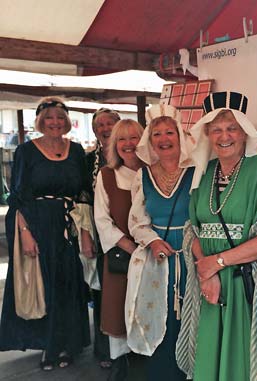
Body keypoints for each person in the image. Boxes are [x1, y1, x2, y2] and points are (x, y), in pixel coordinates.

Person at [176, 91, 257, 381]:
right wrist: (206, 272)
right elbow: (193, 231)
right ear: (208, 135)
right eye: (217, 130)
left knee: (243, 366)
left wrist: (218, 263)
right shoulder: (204, 173)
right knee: (208, 360)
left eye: (231, 128)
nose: (224, 136)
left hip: (246, 287)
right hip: (210, 288)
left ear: (245, 133)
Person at [0, 96, 91, 370]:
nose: (55, 122)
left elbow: (84, 191)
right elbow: (17, 196)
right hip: (38, 226)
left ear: (66, 122)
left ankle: (68, 344)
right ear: (40, 121)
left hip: (68, 226)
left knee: (68, 285)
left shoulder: (75, 151)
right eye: (49, 117)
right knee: (43, 285)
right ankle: (48, 345)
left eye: (60, 118)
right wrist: (25, 232)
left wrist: (85, 233)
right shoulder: (26, 152)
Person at [126, 104, 193, 380]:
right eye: (157, 134)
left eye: (169, 132)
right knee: (161, 317)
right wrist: (152, 241)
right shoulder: (143, 176)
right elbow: (137, 221)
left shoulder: (197, 171)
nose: (164, 139)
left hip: (191, 254)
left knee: (189, 318)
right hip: (158, 259)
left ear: (180, 135)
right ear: (150, 140)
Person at [94, 119, 143, 380]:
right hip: (121, 257)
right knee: (118, 308)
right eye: (122, 139)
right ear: (115, 144)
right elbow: (102, 220)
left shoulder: (154, 171)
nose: (128, 144)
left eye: (134, 137)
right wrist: (131, 248)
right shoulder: (107, 175)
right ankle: (120, 365)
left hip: (151, 255)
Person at [80, 108, 122, 370]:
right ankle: (105, 349)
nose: (105, 128)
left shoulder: (133, 153)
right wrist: (86, 235)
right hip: (98, 231)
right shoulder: (87, 161)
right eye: (100, 125)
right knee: (103, 290)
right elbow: (82, 197)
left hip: (130, 229)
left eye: (110, 123)